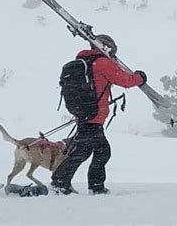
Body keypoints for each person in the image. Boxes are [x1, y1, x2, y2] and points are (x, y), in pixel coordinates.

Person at [51, 34, 147, 195]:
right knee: (102, 151)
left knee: (83, 151)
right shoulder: (102, 63)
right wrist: (141, 77)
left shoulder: (86, 63)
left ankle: (62, 182)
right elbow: (126, 80)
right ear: (107, 48)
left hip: (86, 115)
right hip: (93, 117)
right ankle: (91, 187)